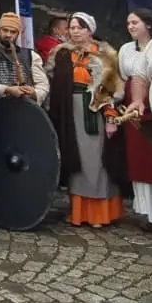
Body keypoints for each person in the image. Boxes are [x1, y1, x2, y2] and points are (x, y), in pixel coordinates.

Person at [46, 12, 124, 228]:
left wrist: (110, 116)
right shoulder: (60, 54)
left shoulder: (105, 53)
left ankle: (100, 214)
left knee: (96, 160)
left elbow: (113, 87)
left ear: (90, 30)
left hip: (94, 111)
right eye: (71, 27)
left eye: (80, 27)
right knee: (75, 158)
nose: (75, 31)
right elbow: (48, 78)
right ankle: (79, 213)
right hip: (69, 113)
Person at [118, 8, 152, 231]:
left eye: (135, 22)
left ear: (148, 25)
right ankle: (148, 213)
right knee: (142, 161)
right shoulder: (127, 50)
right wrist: (137, 101)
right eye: (129, 23)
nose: (131, 26)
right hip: (139, 111)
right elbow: (136, 77)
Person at [0, 12, 49, 106]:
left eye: (13, 32)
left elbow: (43, 85)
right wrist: (6, 89)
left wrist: (34, 93)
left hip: (23, 110)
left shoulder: (30, 55)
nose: (8, 35)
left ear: (18, 33)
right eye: (5, 30)